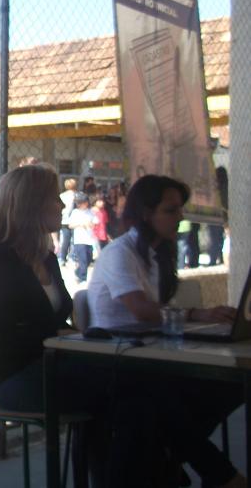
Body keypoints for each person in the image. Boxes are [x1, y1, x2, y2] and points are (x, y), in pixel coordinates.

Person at [0, 164, 159, 486]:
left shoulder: (46, 257)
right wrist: (57, 336)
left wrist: (74, 335)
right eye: (53, 197)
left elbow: (54, 320)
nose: (60, 204)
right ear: (31, 204)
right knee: (131, 391)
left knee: (136, 388)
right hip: (14, 377)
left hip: (56, 365)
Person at [87, 174, 244, 487]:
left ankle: (170, 455)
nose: (180, 217)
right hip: (115, 359)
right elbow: (142, 309)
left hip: (148, 354)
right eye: (171, 210)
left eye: (180, 209)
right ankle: (217, 474)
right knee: (163, 397)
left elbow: (156, 314)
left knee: (233, 384)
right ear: (147, 214)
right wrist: (197, 315)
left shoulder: (156, 254)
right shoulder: (120, 252)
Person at [68, 192, 97, 284]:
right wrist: (81, 224)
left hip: (89, 239)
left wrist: (91, 224)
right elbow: (70, 225)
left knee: (89, 258)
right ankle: (82, 278)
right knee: (83, 259)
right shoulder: (75, 212)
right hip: (79, 239)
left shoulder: (90, 212)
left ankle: (78, 272)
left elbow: (95, 223)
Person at [58, 178, 78, 266]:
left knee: (65, 240)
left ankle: (62, 258)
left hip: (64, 220)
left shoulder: (62, 195)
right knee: (74, 240)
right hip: (75, 221)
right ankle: (72, 257)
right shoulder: (78, 195)